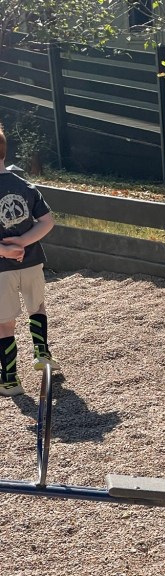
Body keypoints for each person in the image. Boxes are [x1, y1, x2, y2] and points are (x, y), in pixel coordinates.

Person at [0, 122, 58, 397]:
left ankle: (10, 380)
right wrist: (23, 242)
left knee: (4, 323)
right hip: (32, 261)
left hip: (2, 269)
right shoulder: (26, 186)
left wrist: (6, 250)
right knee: (37, 306)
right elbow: (47, 222)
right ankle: (42, 353)